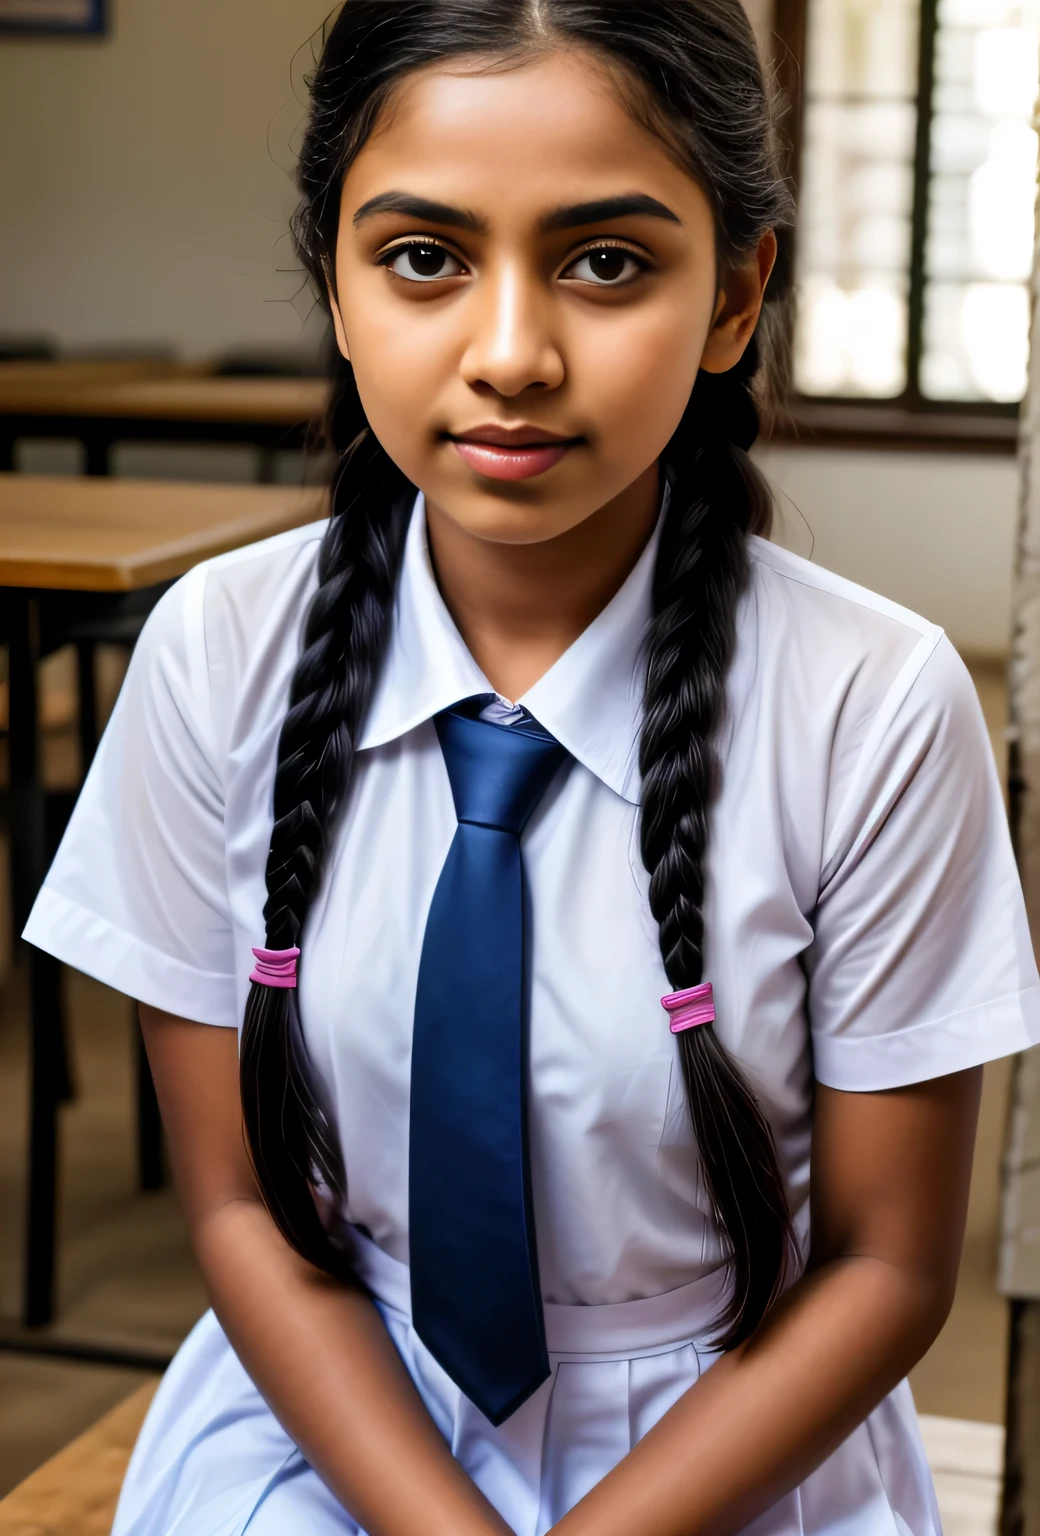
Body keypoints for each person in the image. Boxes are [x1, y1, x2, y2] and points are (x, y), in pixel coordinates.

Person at [25, 2, 1040, 1532]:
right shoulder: (216, 654)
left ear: (734, 297)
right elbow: (240, 1207)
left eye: (608, 261)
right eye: (424, 257)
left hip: (734, 1454)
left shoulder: (874, 705)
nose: (511, 355)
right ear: (338, 287)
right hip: (331, 1426)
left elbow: (889, 1269)